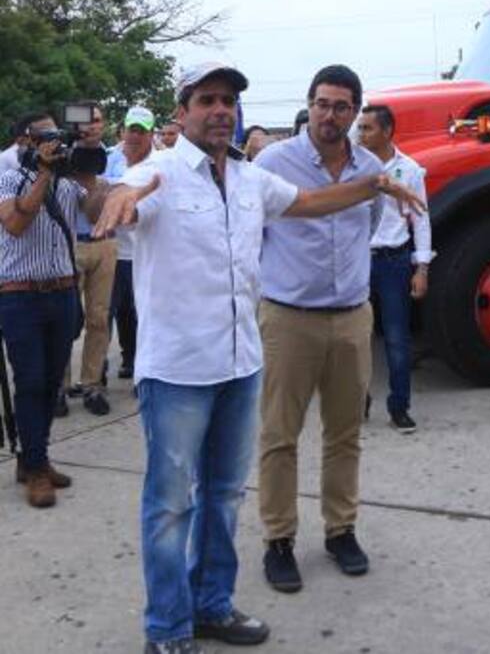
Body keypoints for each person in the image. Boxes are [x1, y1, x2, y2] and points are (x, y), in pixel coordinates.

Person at [94, 60, 421, 654]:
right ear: (184, 110)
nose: (220, 110)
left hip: (240, 363)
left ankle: (213, 605)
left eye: (228, 102)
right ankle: (167, 629)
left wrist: (376, 184)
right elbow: (126, 194)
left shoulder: (251, 180)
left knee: (222, 497)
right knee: (170, 505)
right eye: (207, 100)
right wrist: (119, 194)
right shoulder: (158, 173)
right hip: (177, 372)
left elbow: (315, 203)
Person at [255, 65, 390, 593]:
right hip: (289, 319)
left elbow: (372, 228)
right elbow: (257, 232)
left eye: (341, 106)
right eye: (321, 104)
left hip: (352, 318)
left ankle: (341, 531)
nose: (329, 115)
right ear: (308, 104)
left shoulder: (371, 165)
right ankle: (279, 539)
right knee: (279, 435)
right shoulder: (274, 162)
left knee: (345, 434)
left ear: (356, 112)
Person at [0, 109, 111, 507]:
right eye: (45, 135)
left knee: (50, 385)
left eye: (57, 135)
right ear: (25, 141)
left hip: (63, 293)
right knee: (30, 381)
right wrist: (45, 173)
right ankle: (33, 467)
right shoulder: (9, 176)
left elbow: (96, 214)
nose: (54, 141)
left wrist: (91, 168)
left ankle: (36, 459)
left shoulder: (68, 182)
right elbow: (15, 223)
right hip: (20, 296)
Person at [358, 104, 432, 432]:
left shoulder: (410, 169)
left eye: (368, 128)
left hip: (394, 262)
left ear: (387, 131)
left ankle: (399, 406)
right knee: (353, 338)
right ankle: (358, 400)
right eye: (360, 128)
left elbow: (421, 219)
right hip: (358, 261)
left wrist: (422, 268)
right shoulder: (354, 166)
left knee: (396, 338)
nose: (361, 134)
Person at [61, 106, 116, 417]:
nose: (90, 126)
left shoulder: (115, 157)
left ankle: (92, 384)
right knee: (66, 319)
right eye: (84, 121)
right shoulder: (61, 155)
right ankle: (60, 385)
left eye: (95, 120)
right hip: (69, 244)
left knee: (99, 318)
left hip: (104, 242)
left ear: (103, 123)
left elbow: (99, 209)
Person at [105, 106, 156, 380]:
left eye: (141, 131)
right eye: (130, 129)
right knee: (108, 315)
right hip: (113, 253)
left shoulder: (161, 165)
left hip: (143, 255)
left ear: (151, 134)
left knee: (140, 315)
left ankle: (140, 367)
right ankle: (100, 371)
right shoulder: (107, 158)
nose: (134, 136)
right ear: (121, 130)